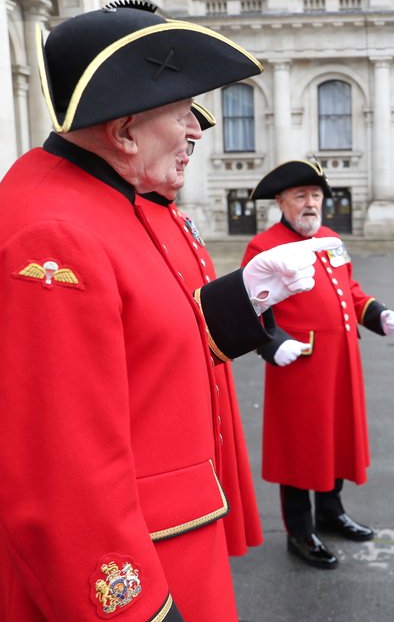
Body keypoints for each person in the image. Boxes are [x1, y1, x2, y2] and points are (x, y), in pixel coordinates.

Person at [0, 1, 339, 621]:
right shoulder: (52, 234)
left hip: (164, 531)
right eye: (182, 113)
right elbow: (59, 472)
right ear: (125, 128)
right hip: (122, 564)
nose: (196, 130)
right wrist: (135, 611)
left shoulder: (106, 194)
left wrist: (244, 300)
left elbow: (141, 341)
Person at [242, 160, 394, 570]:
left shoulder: (330, 238)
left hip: (340, 363)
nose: (311, 204)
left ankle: (330, 513)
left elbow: (348, 289)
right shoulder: (264, 246)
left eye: (315, 196)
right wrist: (272, 344)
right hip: (298, 367)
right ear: (281, 201)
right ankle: (299, 530)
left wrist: (375, 312)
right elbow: (250, 307)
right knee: (300, 449)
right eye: (301, 196)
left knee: (336, 438)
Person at [134, 103, 263, 557]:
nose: (189, 151)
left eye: (192, 143)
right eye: (182, 139)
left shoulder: (175, 216)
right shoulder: (135, 215)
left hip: (207, 382)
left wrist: (251, 297)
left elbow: (194, 308)